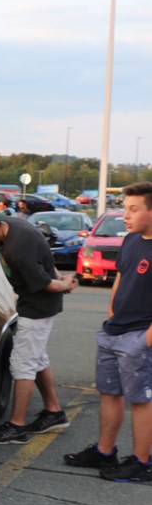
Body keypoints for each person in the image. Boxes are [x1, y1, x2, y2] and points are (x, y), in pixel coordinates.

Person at [0, 202, 77, 445]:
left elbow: (47, 284)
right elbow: (46, 261)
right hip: (32, 302)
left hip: (37, 307)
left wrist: (65, 284)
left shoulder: (19, 248)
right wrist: (58, 276)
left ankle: (17, 426)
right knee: (37, 358)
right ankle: (54, 412)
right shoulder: (8, 226)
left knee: (22, 365)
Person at [63, 181, 152, 481]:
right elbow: (121, 279)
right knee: (109, 393)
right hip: (113, 332)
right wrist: (111, 316)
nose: (126, 215)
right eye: (125, 209)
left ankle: (142, 462)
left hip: (139, 337)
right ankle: (105, 451)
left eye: (133, 209)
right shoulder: (131, 240)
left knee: (141, 400)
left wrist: (146, 341)